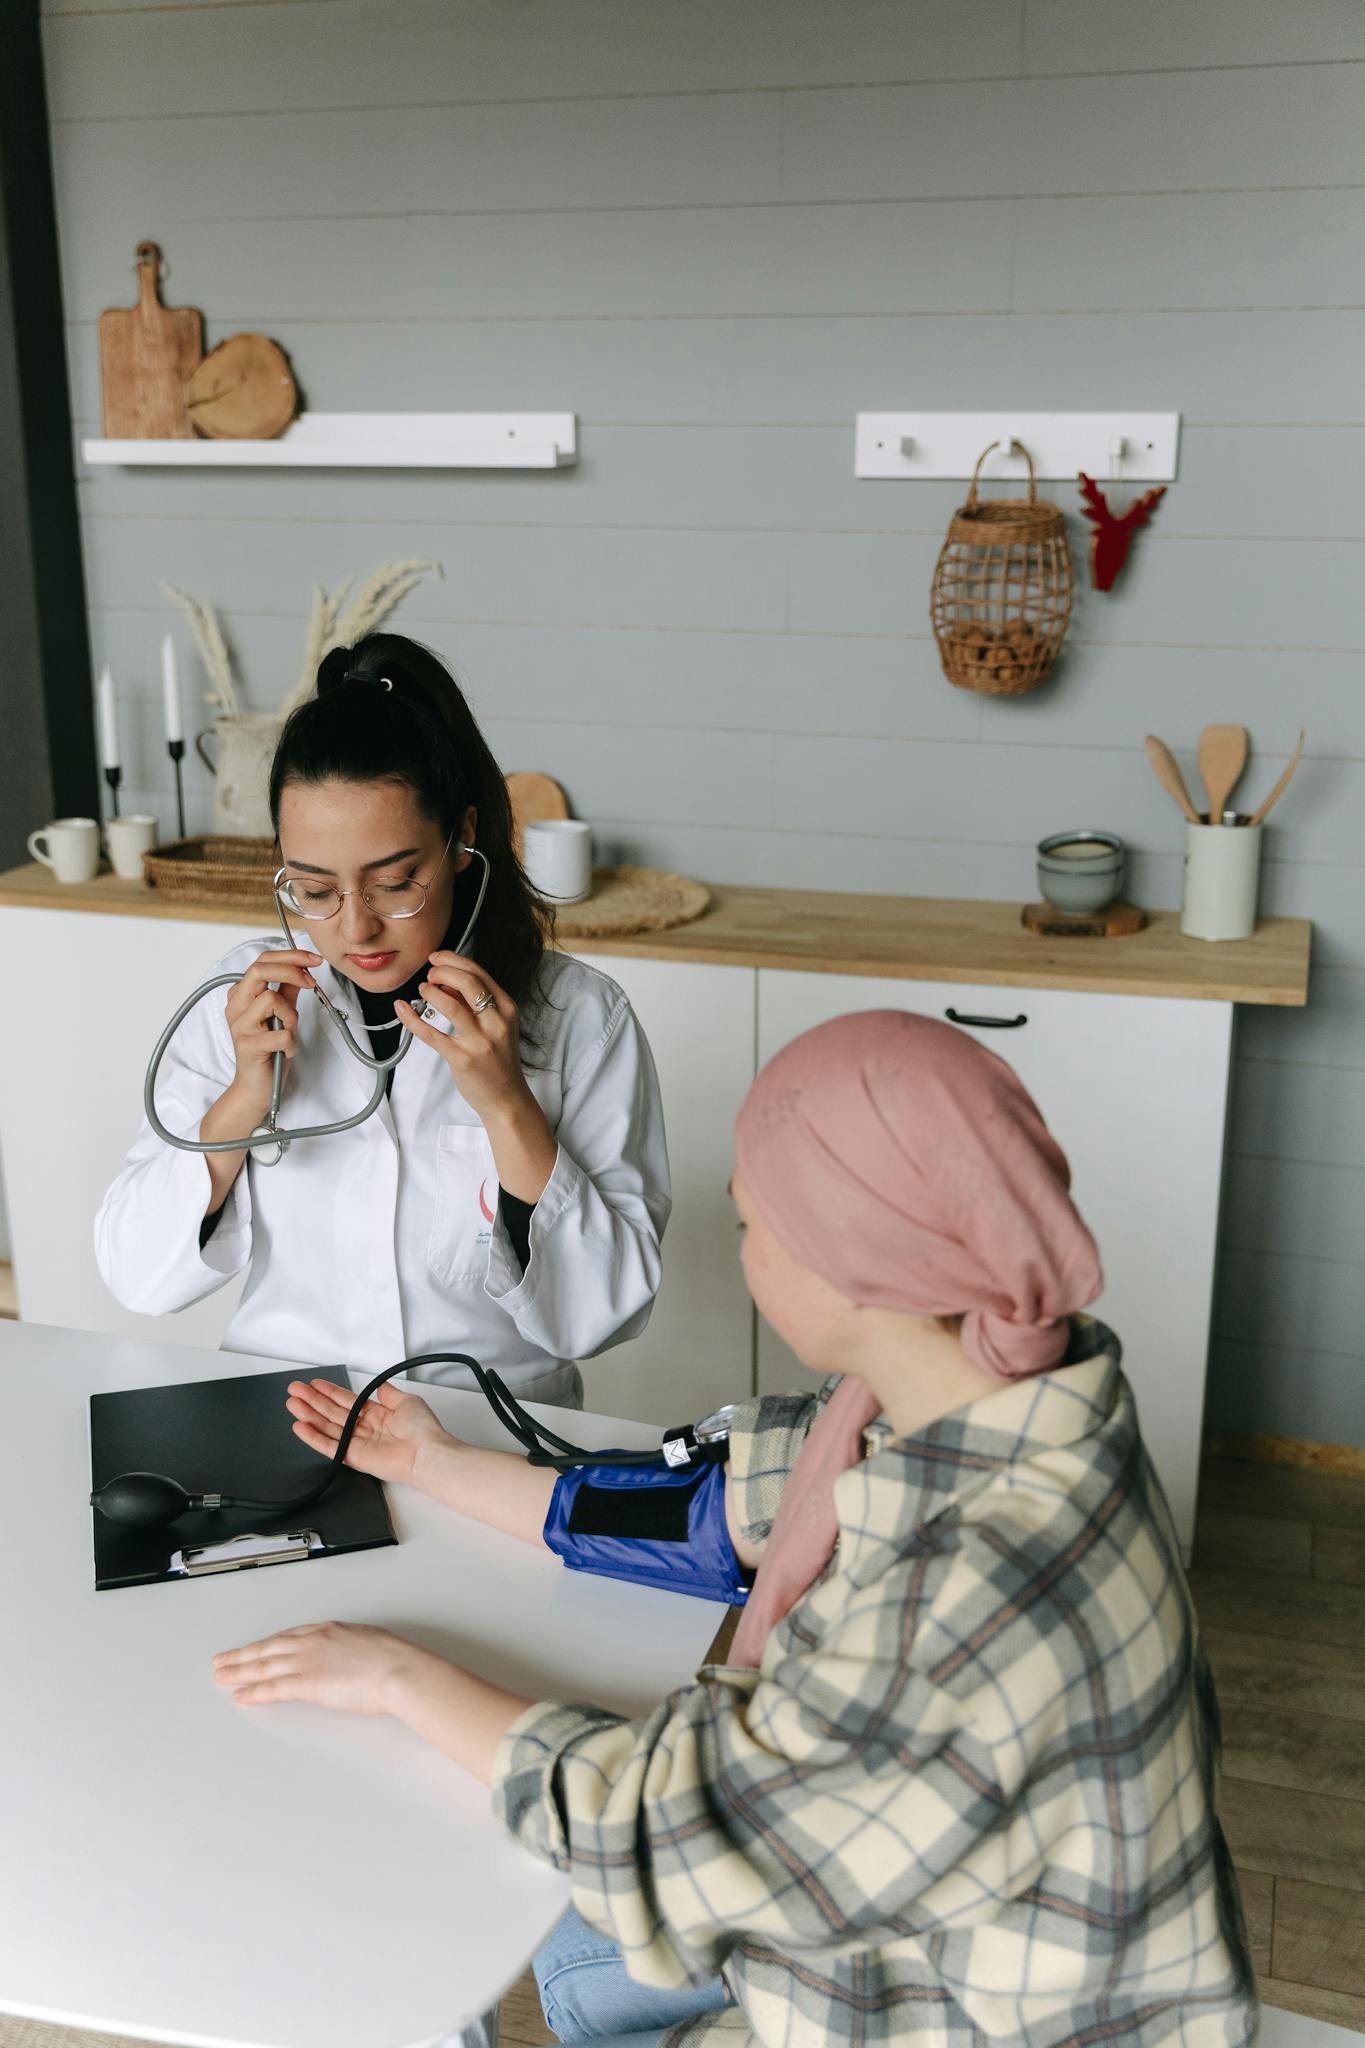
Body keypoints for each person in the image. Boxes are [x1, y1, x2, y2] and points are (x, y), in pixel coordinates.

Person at [213, 1010, 1256, 2047]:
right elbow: (709, 1511)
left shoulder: (975, 1609)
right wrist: (433, 1463)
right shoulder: (998, 1382)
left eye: (754, 1224)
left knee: (520, 1915)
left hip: (930, 2010)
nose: (743, 1250)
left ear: (856, 1262)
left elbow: (662, 1833)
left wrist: (402, 1677)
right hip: (910, 1917)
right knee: (563, 1953)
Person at [96, 633, 669, 1406]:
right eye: (315, 889)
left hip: (485, 1430)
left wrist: (506, 1104)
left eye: (396, 882)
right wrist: (238, 1101)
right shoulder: (240, 999)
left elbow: (602, 1314)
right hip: (285, 1410)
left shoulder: (578, 1018)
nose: (356, 929)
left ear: (463, 838)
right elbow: (137, 1276)